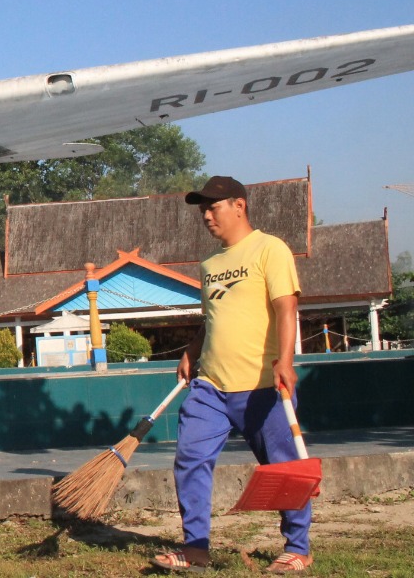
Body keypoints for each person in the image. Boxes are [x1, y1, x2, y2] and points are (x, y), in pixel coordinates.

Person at [151, 177, 311, 574]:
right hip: (212, 387)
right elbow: (212, 318)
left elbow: (286, 307)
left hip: (262, 386)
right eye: (202, 209)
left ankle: (298, 547)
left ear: (239, 205)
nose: (206, 215)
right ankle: (196, 549)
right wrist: (191, 349)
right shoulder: (209, 266)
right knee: (189, 457)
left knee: (283, 468)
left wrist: (285, 360)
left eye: (214, 207)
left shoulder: (269, 248)